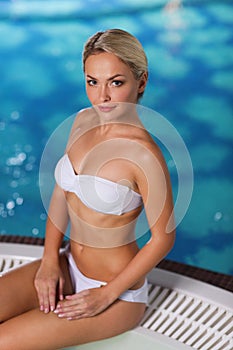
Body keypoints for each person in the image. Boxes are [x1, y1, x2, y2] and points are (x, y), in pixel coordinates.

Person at [0, 29, 175, 349]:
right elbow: (61, 193)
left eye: (116, 82)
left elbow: (163, 238)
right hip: (67, 264)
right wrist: (50, 260)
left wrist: (105, 295)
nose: (102, 96)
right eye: (93, 81)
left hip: (116, 292)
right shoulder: (82, 121)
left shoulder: (144, 155)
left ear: (142, 81)